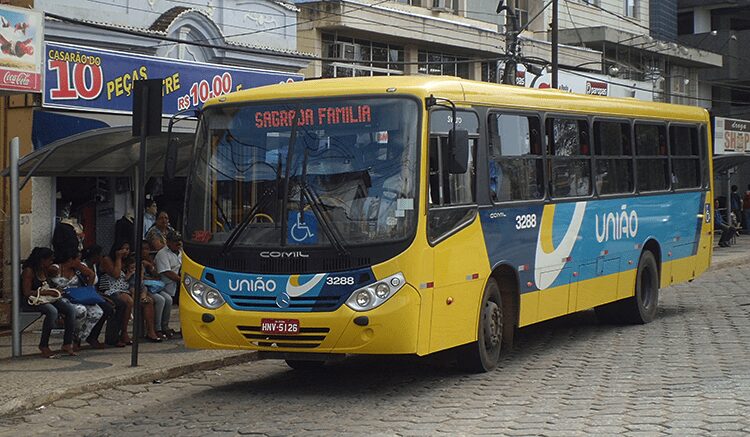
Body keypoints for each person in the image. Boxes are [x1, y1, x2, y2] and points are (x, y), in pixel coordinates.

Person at [20, 247, 78, 357]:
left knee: (70, 309)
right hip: (32, 301)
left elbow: (49, 284)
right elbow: (27, 292)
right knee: (52, 311)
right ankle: (44, 344)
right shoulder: (29, 271)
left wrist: (55, 290)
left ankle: (67, 343)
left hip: (45, 298)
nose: (51, 262)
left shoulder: (45, 270)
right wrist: (46, 292)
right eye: (50, 260)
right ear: (42, 260)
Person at [49, 251, 104, 349]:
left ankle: (78, 336)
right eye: (77, 259)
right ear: (70, 260)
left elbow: (91, 274)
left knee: (97, 312)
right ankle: (71, 336)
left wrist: (88, 290)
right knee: (81, 310)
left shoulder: (78, 268)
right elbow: (46, 278)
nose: (79, 261)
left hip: (78, 295)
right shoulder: (56, 268)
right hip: (62, 296)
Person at [82, 245, 120, 347]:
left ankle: (113, 337)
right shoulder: (83, 266)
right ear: (95, 256)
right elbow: (86, 286)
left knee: (120, 303)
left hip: (96, 293)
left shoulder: (95, 266)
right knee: (107, 308)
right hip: (86, 294)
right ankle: (92, 337)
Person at [99, 241, 135, 346]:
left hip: (125, 288)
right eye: (123, 249)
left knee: (130, 302)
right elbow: (116, 275)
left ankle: (124, 331)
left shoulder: (127, 261)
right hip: (110, 289)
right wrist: (118, 258)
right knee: (126, 302)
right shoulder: (107, 260)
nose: (125, 252)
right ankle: (121, 333)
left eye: (127, 249)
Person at [123, 256, 162, 342]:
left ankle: (151, 331)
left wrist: (141, 272)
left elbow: (140, 282)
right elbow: (126, 280)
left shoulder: (139, 272)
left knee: (146, 294)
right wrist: (130, 273)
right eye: (132, 267)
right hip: (130, 288)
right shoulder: (127, 273)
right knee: (133, 291)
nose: (134, 269)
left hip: (140, 287)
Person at [141, 240, 171, 339]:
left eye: (148, 249)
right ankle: (156, 328)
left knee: (168, 299)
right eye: (144, 249)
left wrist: (151, 267)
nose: (146, 252)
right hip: (144, 288)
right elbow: (139, 279)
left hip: (154, 287)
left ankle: (164, 326)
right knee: (160, 300)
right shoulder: (135, 261)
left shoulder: (151, 260)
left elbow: (158, 276)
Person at [155, 231, 182, 332]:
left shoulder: (181, 252)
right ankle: (162, 327)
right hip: (166, 284)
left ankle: (184, 327)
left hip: (179, 283)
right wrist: (182, 281)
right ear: (168, 242)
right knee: (165, 300)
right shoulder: (162, 254)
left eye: (179, 241)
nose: (178, 243)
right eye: (175, 241)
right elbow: (167, 272)